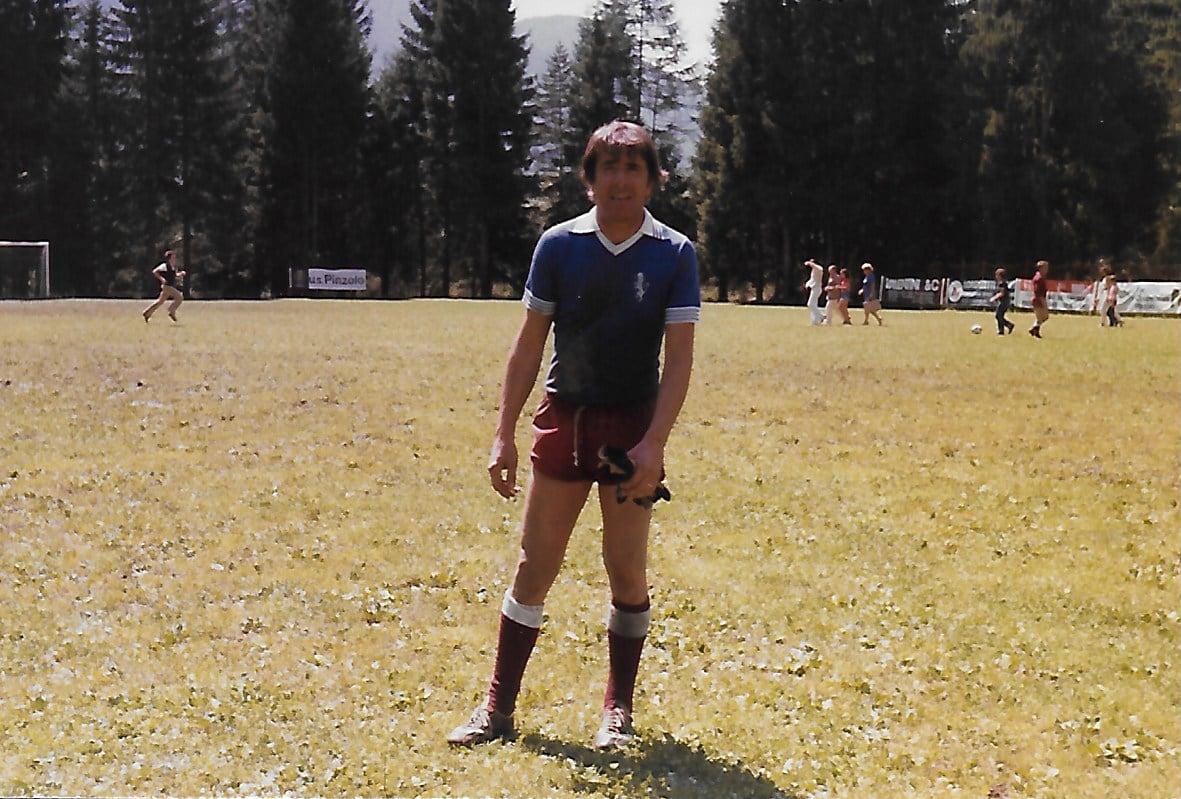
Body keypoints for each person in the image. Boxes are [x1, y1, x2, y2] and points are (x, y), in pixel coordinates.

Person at [446, 120, 699, 751]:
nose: (620, 180)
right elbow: (529, 344)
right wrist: (503, 433)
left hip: (629, 432)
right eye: (608, 167)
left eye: (633, 168)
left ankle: (618, 711)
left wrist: (654, 444)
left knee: (626, 571)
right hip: (566, 422)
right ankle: (497, 708)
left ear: (653, 180)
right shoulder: (558, 245)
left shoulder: (674, 254)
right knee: (534, 567)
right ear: (589, 179)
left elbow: (680, 361)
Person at [142, 250, 186, 323]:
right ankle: (171, 311)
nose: (175, 258)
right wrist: (162, 279)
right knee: (179, 297)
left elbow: (175, 275)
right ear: (169, 258)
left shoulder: (173, 267)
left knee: (160, 302)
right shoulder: (164, 266)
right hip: (167, 286)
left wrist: (181, 274)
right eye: (173, 257)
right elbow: (155, 271)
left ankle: (147, 313)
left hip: (169, 287)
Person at [990, 267, 1015, 335]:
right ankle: (1009, 325)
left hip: (1004, 302)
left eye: (997, 275)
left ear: (1000, 275)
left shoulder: (1002, 283)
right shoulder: (1002, 283)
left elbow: (1002, 293)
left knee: (999, 316)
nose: (996, 276)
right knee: (999, 316)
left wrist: (994, 298)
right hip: (1005, 301)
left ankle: (1001, 331)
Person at [1028, 260, 1050, 338]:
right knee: (1044, 317)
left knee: (1041, 317)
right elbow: (1037, 291)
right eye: (1045, 268)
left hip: (1039, 298)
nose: (1047, 270)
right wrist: (1042, 300)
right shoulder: (1039, 278)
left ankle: (1035, 331)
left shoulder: (1040, 277)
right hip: (1039, 299)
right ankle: (1033, 328)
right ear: (1041, 268)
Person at [804, 259, 824, 325]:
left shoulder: (819, 269)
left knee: (810, 304)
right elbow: (812, 279)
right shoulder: (814, 270)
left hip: (817, 289)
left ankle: (821, 316)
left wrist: (810, 263)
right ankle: (815, 322)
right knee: (814, 305)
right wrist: (807, 284)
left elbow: (820, 268)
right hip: (814, 289)